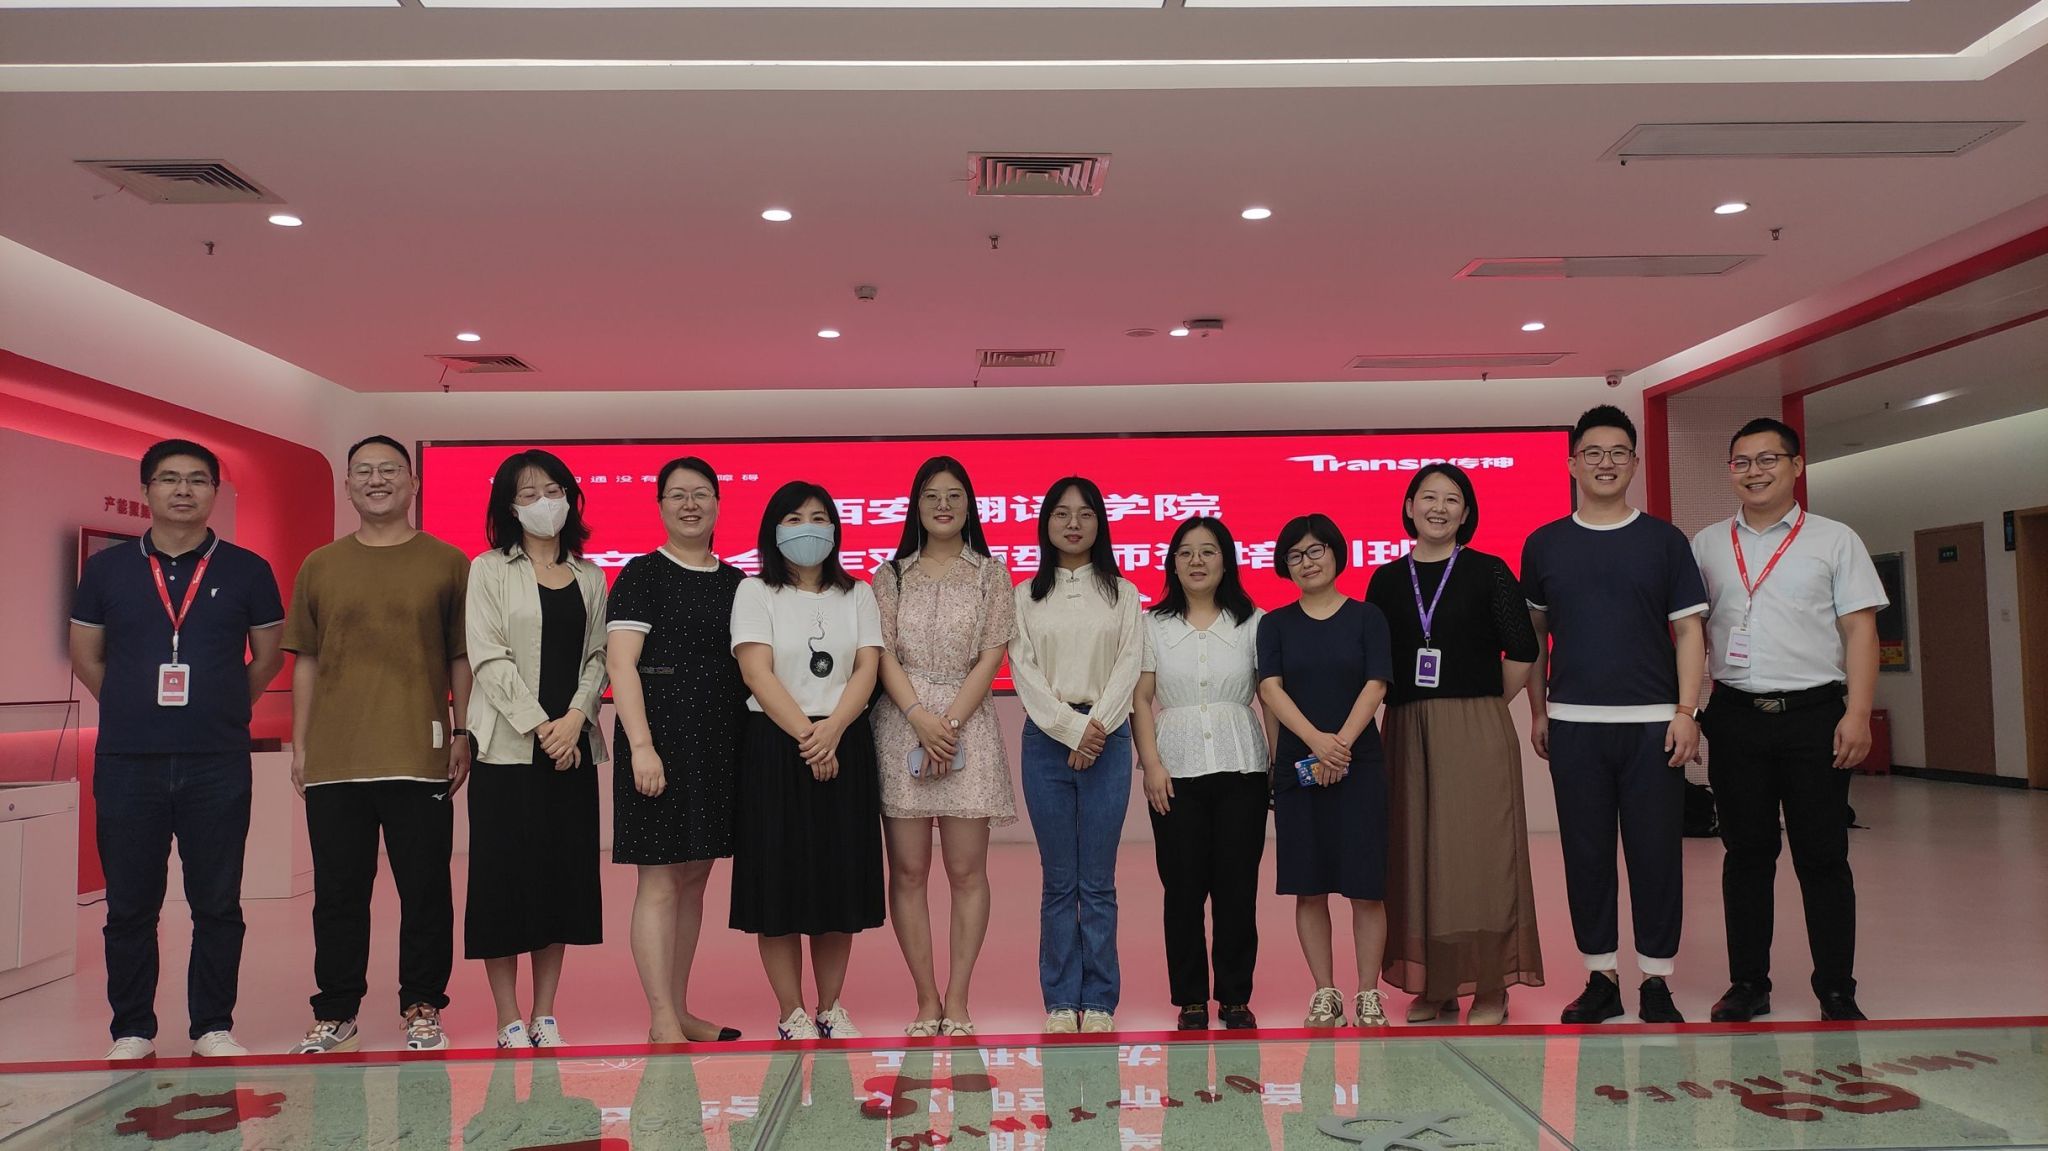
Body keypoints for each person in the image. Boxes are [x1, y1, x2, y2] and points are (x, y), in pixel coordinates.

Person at [68, 439, 285, 1060]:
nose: (183, 490)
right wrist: (132, 706)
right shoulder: (108, 570)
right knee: (129, 905)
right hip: (127, 761)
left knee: (217, 902)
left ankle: (212, 1025)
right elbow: (86, 656)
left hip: (216, 760)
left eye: (197, 479)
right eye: (168, 479)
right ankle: (132, 1029)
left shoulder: (247, 569)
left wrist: (221, 705)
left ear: (214, 491)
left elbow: (267, 658)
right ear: (146, 491)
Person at [1693, 417, 1886, 1023]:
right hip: (1735, 716)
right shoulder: (1706, 545)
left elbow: (1861, 631)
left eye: (1767, 459)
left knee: (1822, 857)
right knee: (1746, 855)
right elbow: (1688, 634)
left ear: (1796, 466)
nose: (1754, 472)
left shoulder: (1835, 540)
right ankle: (1749, 984)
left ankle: (1836, 989)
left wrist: (1858, 713)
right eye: (1741, 462)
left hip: (1814, 717)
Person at [284, 435, 472, 1054]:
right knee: (339, 894)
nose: (376, 480)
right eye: (363, 471)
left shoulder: (448, 562)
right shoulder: (320, 564)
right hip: (336, 759)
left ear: (413, 482)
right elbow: (307, 660)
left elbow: (460, 656)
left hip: (420, 753)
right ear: (347, 486)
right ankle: (336, 1011)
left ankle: (422, 1004)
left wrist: (463, 731)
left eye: (389, 469)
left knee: (426, 891)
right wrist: (301, 745)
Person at [1521, 405, 1707, 1025]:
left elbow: (1689, 631)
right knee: (1587, 856)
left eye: (1618, 452)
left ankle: (1657, 980)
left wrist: (1687, 710)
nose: (1606, 463)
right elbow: (1534, 636)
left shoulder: (1664, 542)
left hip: (1654, 724)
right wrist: (1539, 711)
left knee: (1656, 856)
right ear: (1572, 463)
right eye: (1593, 453)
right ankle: (1600, 977)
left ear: (1634, 462)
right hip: (1574, 723)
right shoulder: (1545, 543)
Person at [1365, 464, 1543, 1027]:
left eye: (1452, 499)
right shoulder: (1385, 580)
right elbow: (1373, 662)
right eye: (1428, 497)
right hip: (1405, 729)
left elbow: (1524, 648)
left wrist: (1486, 701)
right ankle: (1436, 984)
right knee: (1417, 858)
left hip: (1474, 728)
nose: (1438, 508)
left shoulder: (1489, 571)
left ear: (1466, 513)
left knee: (1478, 860)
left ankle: (1490, 985)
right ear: (1409, 506)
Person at [462, 450, 609, 1048]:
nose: (543, 503)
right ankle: (507, 1016)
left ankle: (545, 1013)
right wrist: (543, 726)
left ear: (570, 498)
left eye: (553, 490)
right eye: (527, 494)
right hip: (506, 751)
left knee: (559, 882)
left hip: (571, 751)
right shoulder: (488, 569)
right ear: (508, 506)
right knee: (501, 883)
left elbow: (598, 656)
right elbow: (488, 657)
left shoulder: (591, 575)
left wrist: (574, 720)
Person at [729, 481, 886, 1041]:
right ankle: (791, 1011)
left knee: (838, 881)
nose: (808, 528)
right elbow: (756, 671)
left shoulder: (858, 592)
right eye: (794, 519)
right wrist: (808, 737)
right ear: (774, 531)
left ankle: (831, 1006)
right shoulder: (755, 591)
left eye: (819, 518)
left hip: (845, 741)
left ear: (835, 529)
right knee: (778, 880)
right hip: (777, 745)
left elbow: (867, 668)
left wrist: (833, 731)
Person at [870, 457, 1016, 1038]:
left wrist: (948, 724)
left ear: (970, 504)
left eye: (955, 495)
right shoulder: (890, 576)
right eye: (932, 496)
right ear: (916, 505)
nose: (943, 506)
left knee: (966, 871)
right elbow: (882, 654)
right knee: (908, 871)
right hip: (901, 724)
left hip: (967, 726)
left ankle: (958, 999)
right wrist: (919, 718)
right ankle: (926, 999)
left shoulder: (991, 575)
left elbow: (991, 654)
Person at [606, 457, 748, 1044]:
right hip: (658, 744)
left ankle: (682, 1009)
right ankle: (660, 1015)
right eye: (678, 495)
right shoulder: (642, 574)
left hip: (718, 746)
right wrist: (642, 746)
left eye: (702, 494)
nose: (691, 505)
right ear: (661, 506)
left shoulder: (738, 583)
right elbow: (622, 664)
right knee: (660, 881)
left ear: (718, 502)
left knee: (695, 880)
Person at [1008, 476, 1144, 1035]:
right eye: (1061, 513)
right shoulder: (1024, 595)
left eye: (1085, 514)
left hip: (1108, 739)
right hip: (1047, 742)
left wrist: (1095, 729)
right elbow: (1023, 671)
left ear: (1099, 524)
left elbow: (1129, 664)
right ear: (1046, 523)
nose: (1072, 523)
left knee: (1099, 882)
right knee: (1059, 880)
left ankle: (1102, 1002)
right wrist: (1070, 729)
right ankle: (1062, 1001)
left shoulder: (1123, 593)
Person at [1132, 516, 1275, 1032]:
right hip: (1175, 770)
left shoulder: (1254, 622)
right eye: (1186, 552)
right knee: (1183, 889)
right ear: (1172, 563)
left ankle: (1235, 997)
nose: (1197, 561)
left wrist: (1275, 762)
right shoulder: (1151, 624)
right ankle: (1190, 999)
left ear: (1226, 561)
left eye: (1208, 551)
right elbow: (1140, 698)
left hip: (1242, 766)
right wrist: (1151, 765)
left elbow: (1269, 696)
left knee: (1238, 888)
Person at [1257, 513, 1394, 1029]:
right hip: (1299, 767)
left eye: (1316, 551)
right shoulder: (1275, 624)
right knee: (1308, 886)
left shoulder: (1367, 617)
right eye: (1295, 555)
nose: (1307, 562)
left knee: (1366, 887)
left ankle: (1368, 994)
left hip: (1360, 763)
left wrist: (1340, 748)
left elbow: (1376, 684)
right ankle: (1325, 993)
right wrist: (1317, 744)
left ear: (1336, 553)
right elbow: (1270, 689)